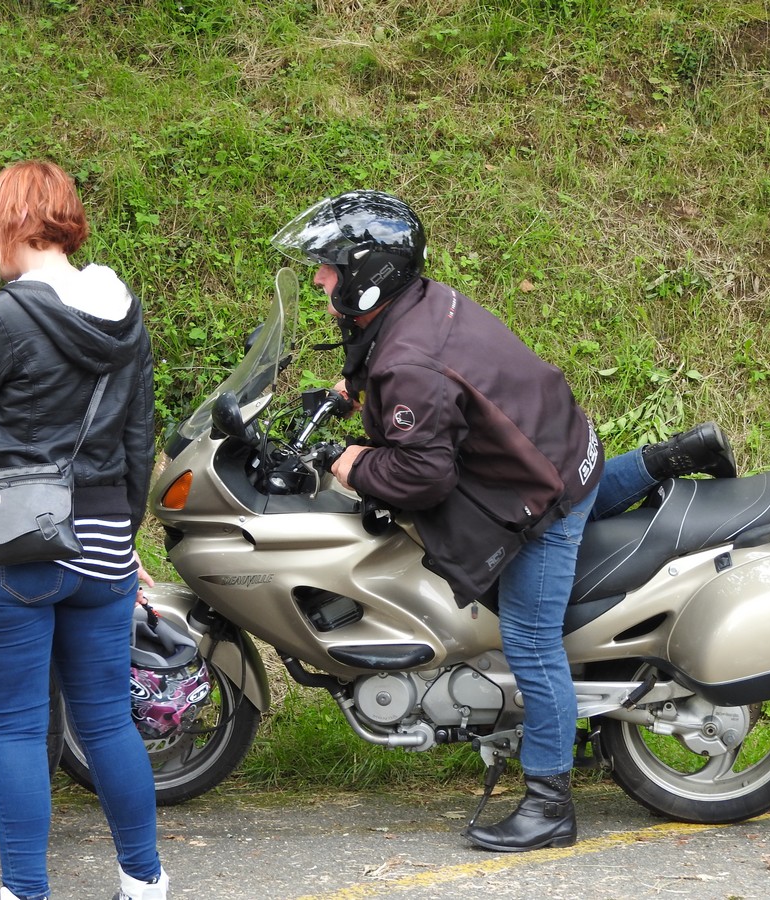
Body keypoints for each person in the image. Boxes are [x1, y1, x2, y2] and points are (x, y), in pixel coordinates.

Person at [272, 190, 735, 853]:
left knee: (531, 642)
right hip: (564, 445)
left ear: (371, 273)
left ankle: (549, 806)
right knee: (583, 492)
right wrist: (349, 391)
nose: (320, 278)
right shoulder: (419, 305)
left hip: (535, 492)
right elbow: (402, 365)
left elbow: (423, 476)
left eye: (330, 266)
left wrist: (349, 462)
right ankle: (674, 456)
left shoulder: (410, 361)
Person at [0, 160, 165, 900]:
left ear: (4, 225)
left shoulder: (5, 313)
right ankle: (146, 882)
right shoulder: (123, 308)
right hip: (103, 542)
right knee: (107, 725)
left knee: (21, 733)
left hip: (13, 546)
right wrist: (124, 535)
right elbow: (138, 435)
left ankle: (24, 892)